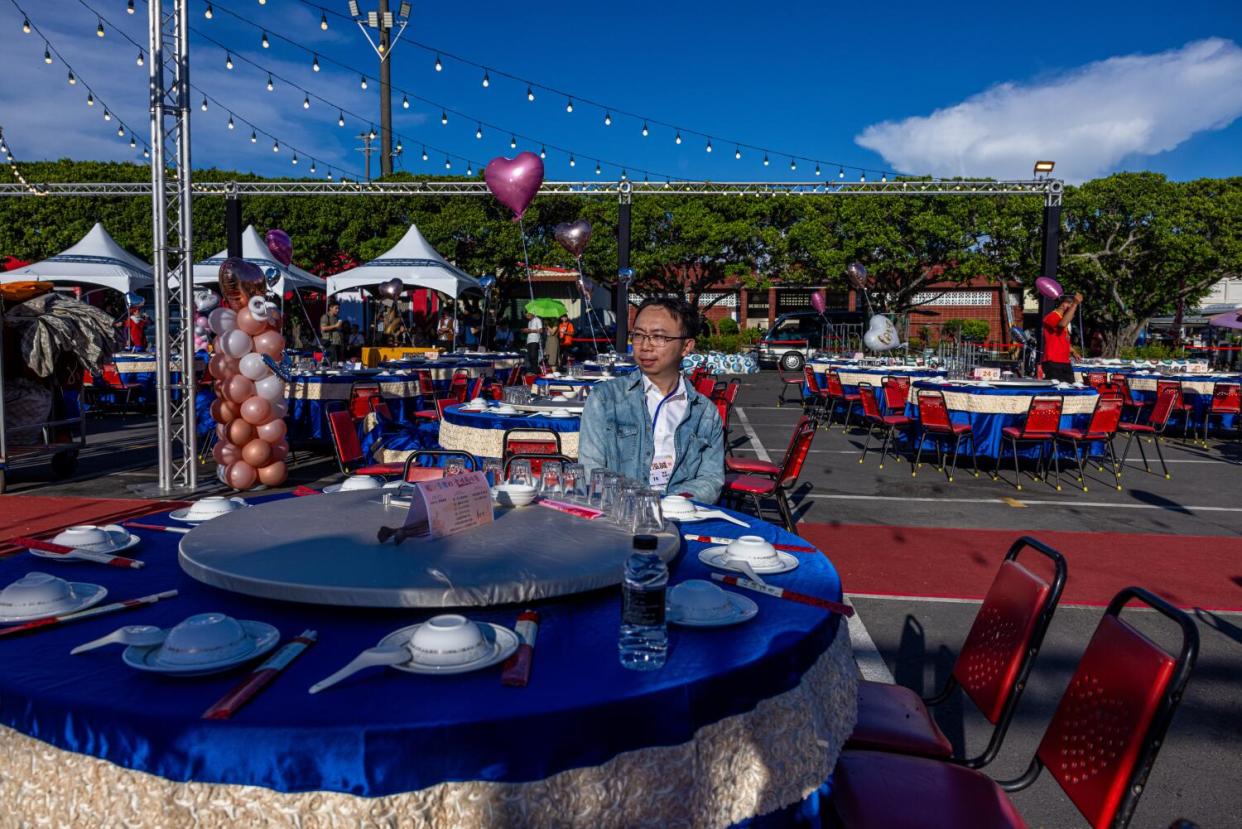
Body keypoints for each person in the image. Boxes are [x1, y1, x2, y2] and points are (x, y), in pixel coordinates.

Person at [579, 297, 724, 503]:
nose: (645, 346)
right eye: (638, 335)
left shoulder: (705, 414)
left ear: (686, 346)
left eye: (658, 337)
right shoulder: (605, 398)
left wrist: (671, 503)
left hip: (680, 516)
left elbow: (711, 479)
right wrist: (639, 505)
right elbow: (590, 471)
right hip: (619, 515)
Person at [1041, 292, 1083, 382]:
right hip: (1053, 361)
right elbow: (1061, 324)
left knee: (1070, 386)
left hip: (1064, 361)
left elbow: (1062, 339)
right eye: (1071, 307)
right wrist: (1075, 304)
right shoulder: (1051, 316)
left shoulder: (1064, 319)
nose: (1072, 312)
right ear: (1064, 305)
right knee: (1057, 388)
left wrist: (1073, 351)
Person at [319, 299, 344, 363]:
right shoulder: (326, 316)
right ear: (330, 308)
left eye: (338, 308)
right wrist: (335, 326)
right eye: (336, 308)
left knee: (337, 362)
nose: (338, 310)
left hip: (337, 343)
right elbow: (323, 328)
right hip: (330, 343)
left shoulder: (337, 317)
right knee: (330, 361)